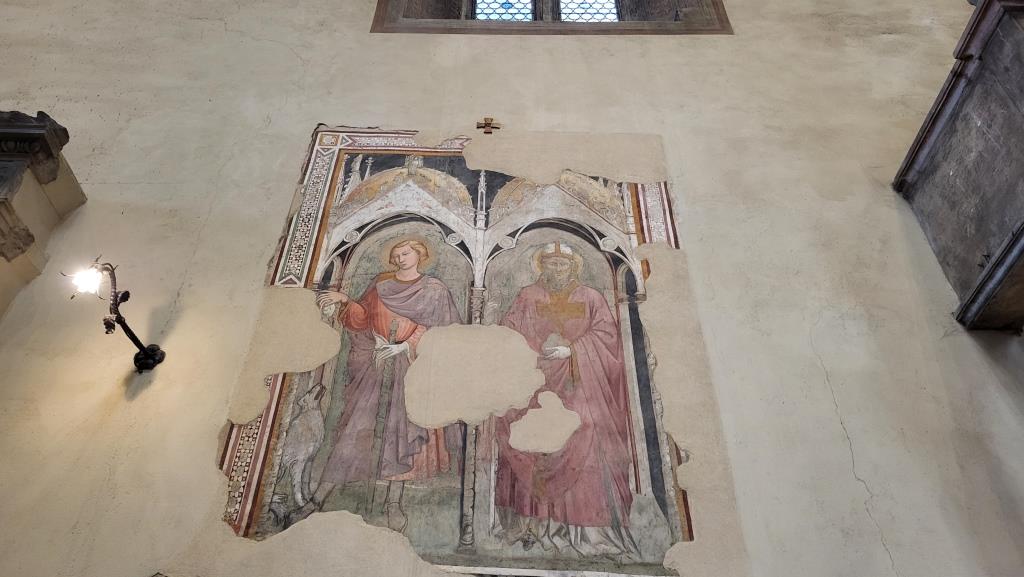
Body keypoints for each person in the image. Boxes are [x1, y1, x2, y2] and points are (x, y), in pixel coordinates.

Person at [292, 238, 462, 530]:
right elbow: (362, 319)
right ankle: (318, 499)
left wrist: (406, 345)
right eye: (396, 254)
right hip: (378, 366)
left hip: (413, 370)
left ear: (420, 254)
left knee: (403, 436)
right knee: (354, 430)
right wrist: (345, 301)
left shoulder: (434, 289)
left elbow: (444, 330)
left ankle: (393, 504)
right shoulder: (381, 284)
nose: (400, 258)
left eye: (405, 253)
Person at [493, 241, 639, 558]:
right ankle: (531, 527)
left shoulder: (591, 298)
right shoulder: (528, 296)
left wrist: (572, 351)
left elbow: (608, 339)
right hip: (535, 386)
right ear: (541, 265)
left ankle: (585, 532)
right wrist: (528, 352)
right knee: (531, 447)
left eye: (562, 264)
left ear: (573, 267)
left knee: (585, 439)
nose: (556, 269)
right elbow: (508, 333)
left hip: (579, 387)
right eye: (550, 263)